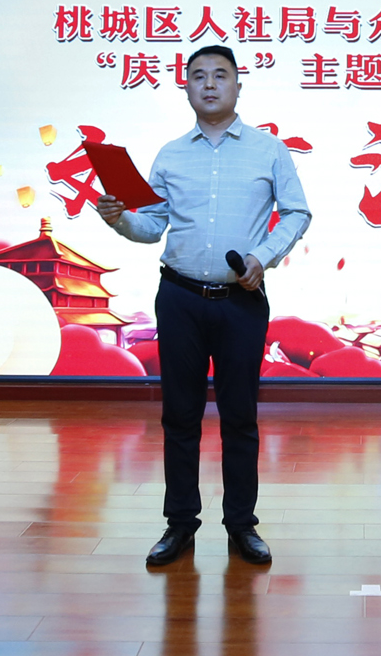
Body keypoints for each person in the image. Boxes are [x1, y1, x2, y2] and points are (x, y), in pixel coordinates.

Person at [98, 45, 310, 567]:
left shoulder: (268, 150)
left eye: (220, 75)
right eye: (198, 76)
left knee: (239, 417)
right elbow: (152, 226)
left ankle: (241, 525)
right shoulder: (171, 155)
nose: (209, 84)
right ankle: (179, 524)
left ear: (238, 86)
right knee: (179, 416)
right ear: (186, 88)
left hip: (241, 301)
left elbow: (297, 213)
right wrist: (119, 218)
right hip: (180, 299)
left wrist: (263, 256)